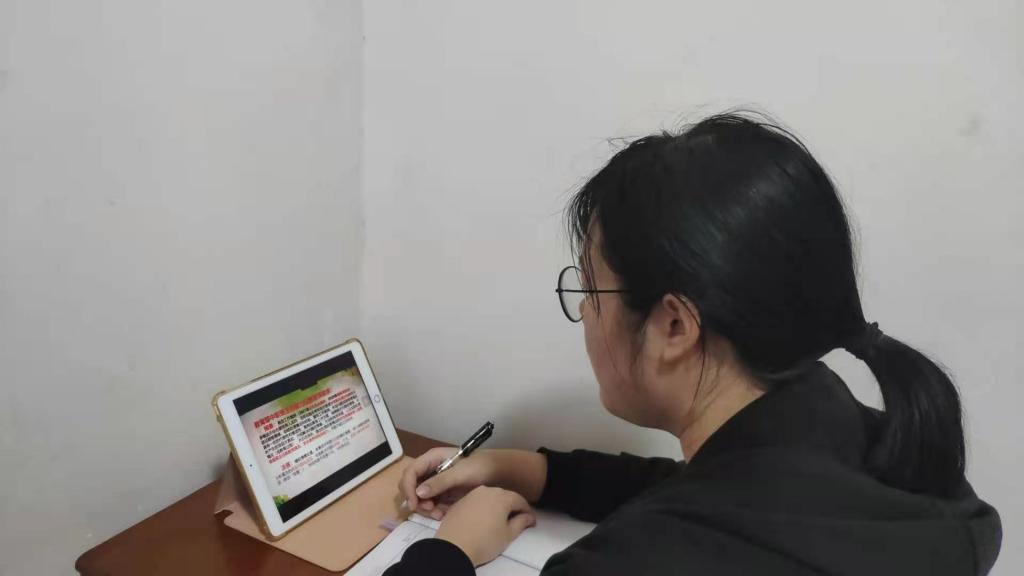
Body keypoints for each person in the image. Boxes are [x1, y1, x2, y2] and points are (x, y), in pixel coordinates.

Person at [383, 112, 1002, 575]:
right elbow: (715, 491)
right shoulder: (846, 426)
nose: (586, 314)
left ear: (674, 326)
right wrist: (529, 471)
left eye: (591, 289)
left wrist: (450, 553)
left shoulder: (633, 561)